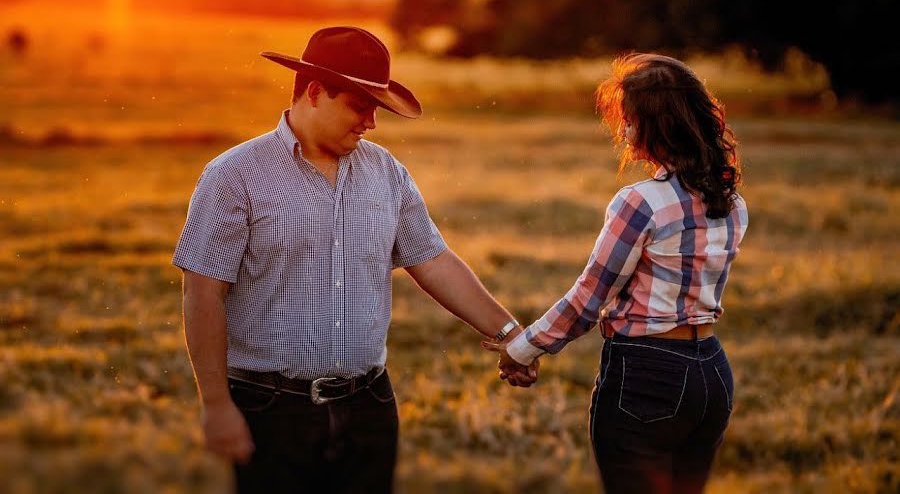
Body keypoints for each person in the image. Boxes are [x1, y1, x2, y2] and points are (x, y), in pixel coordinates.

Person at [173, 26, 537, 494]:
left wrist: (512, 334)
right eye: (360, 106)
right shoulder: (234, 175)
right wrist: (217, 406)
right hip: (269, 409)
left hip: (370, 406)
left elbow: (435, 262)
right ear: (316, 92)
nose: (371, 123)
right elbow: (202, 292)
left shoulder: (385, 172)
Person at [483, 53, 749, 494]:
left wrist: (522, 349)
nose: (623, 132)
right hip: (712, 374)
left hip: (648, 375)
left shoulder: (640, 202)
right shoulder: (732, 202)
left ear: (657, 125)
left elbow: (590, 297)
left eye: (629, 120)